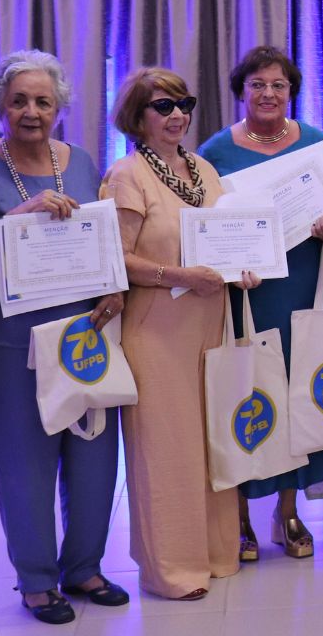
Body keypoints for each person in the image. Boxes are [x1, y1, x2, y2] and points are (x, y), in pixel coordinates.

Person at [0, 50, 129, 624]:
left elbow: (101, 236)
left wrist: (114, 286)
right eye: (19, 100)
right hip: (12, 340)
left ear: (60, 108)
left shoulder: (81, 161)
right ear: (0, 106)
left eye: (43, 101)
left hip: (85, 331)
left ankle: (84, 567)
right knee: (25, 460)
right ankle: (35, 580)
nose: (31, 111)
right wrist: (22, 215)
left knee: (95, 452)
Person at [102, 67, 259, 600]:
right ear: (137, 116)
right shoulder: (126, 176)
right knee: (165, 451)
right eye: (163, 106)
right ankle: (172, 568)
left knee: (212, 442)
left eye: (183, 104)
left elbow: (230, 235)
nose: (177, 115)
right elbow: (115, 259)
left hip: (209, 321)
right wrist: (180, 276)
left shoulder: (204, 170)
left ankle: (217, 553)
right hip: (156, 328)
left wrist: (245, 266)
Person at [199, 45, 323, 562]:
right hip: (248, 291)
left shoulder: (316, 145)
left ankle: (288, 512)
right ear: (241, 91)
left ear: (292, 92)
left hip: (306, 281)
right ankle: (241, 515)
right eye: (257, 84)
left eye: (279, 85)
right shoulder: (214, 153)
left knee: (297, 388)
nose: (268, 94)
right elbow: (200, 227)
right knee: (249, 392)